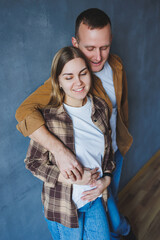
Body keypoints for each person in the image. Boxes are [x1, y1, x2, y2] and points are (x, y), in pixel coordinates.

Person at [16, 8, 135, 240]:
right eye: (90, 48)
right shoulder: (67, 80)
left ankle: (121, 231)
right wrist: (59, 151)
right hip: (79, 177)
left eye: (104, 47)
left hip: (111, 153)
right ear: (75, 43)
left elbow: (121, 107)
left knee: (110, 197)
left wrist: (118, 145)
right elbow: (23, 112)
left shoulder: (117, 64)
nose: (99, 57)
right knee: (97, 205)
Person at [25, 46, 115, 240]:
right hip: (63, 207)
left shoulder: (100, 108)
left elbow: (108, 155)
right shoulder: (48, 118)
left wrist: (105, 180)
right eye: (69, 77)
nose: (79, 83)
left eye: (83, 74)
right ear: (58, 81)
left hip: (95, 200)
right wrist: (71, 178)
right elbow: (33, 163)